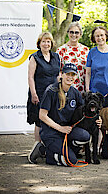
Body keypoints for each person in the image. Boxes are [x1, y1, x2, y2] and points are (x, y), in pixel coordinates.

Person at [37, 63, 91, 166]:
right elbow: (42, 115)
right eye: (67, 74)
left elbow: (84, 111)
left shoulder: (75, 93)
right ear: (61, 74)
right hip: (51, 132)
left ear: (76, 77)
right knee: (71, 161)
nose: (70, 77)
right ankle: (46, 153)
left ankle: (65, 151)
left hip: (66, 131)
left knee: (85, 136)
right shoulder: (51, 91)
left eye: (73, 74)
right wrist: (60, 128)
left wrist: (97, 120)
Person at [27, 32, 60, 164]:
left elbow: (58, 75)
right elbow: (30, 77)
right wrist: (33, 93)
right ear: (39, 44)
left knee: (52, 119)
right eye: (44, 42)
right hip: (39, 93)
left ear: (51, 44)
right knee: (39, 121)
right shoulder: (34, 58)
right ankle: (37, 147)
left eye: (48, 42)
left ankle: (48, 148)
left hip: (54, 94)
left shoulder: (56, 56)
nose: (46, 44)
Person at [56, 22, 89, 96]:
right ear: (68, 33)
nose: (74, 35)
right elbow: (58, 71)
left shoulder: (86, 50)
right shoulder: (61, 50)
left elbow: (88, 71)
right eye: (71, 32)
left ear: (80, 34)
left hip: (82, 89)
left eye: (76, 32)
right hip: (66, 90)